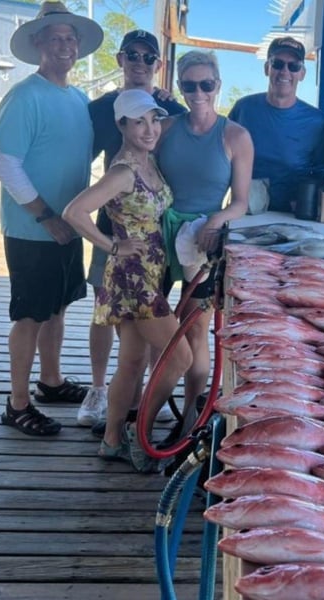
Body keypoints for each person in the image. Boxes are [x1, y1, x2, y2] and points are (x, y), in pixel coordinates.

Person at [0, 1, 102, 436]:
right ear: (38, 44)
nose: (64, 45)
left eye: (70, 38)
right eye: (54, 37)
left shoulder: (78, 98)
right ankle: (17, 405)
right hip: (33, 229)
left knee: (58, 308)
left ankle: (50, 382)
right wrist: (44, 216)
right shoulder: (24, 96)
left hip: (67, 226)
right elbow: (6, 165)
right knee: (31, 315)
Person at [63, 89, 190, 472]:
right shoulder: (123, 171)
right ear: (122, 125)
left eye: (154, 120)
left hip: (148, 272)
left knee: (133, 361)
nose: (150, 128)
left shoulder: (147, 161)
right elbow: (75, 211)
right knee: (179, 357)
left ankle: (112, 438)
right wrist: (111, 246)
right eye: (140, 121)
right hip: (134, 280)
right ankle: (141, 431)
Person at [78, 29, 186, 428]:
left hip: (156, 243)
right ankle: (98, 389)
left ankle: (133, 411)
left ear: (158, 65)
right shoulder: (100, 108)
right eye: (133, 56)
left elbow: (193, 137)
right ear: (121, 60)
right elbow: (80, 167)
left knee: (138, 346)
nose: (140, 63)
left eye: (148, 57)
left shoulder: (167, 110)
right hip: (117, 230)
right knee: (102, 314)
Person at [156, 50, 253, 443]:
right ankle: (149, 404)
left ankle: (190, 420)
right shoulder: (163, 128)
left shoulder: (235, 136)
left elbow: (241, 202)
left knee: (193, 333)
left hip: (205, 242)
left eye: (206, 84)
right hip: (159, 237)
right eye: (189, 85)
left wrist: (215, 221)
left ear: (218, 86)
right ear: (180, 87)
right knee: (154, 329)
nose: (198, 92)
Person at [228, 36, 324, 213]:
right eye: (278, 64)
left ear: (302, 73)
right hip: (245, 211)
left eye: (294, 66)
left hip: (292, 215)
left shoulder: (316, 121)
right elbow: (221, 156)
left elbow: (322, 171)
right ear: (267, 68)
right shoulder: (243, 108)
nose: (285, 72)